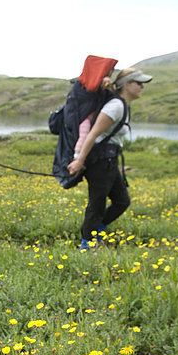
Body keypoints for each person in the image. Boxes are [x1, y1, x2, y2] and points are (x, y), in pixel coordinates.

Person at [67, 68, 152, 251]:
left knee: (122, 200)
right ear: (127, 84)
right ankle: (87, 245)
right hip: (100, 160)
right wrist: (79, 160)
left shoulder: (123, 105)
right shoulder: (115, 106)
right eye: (138, 83)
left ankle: (97, 230)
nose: (142, 87)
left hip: (110, 160)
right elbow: (92, 134)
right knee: (97, 204)